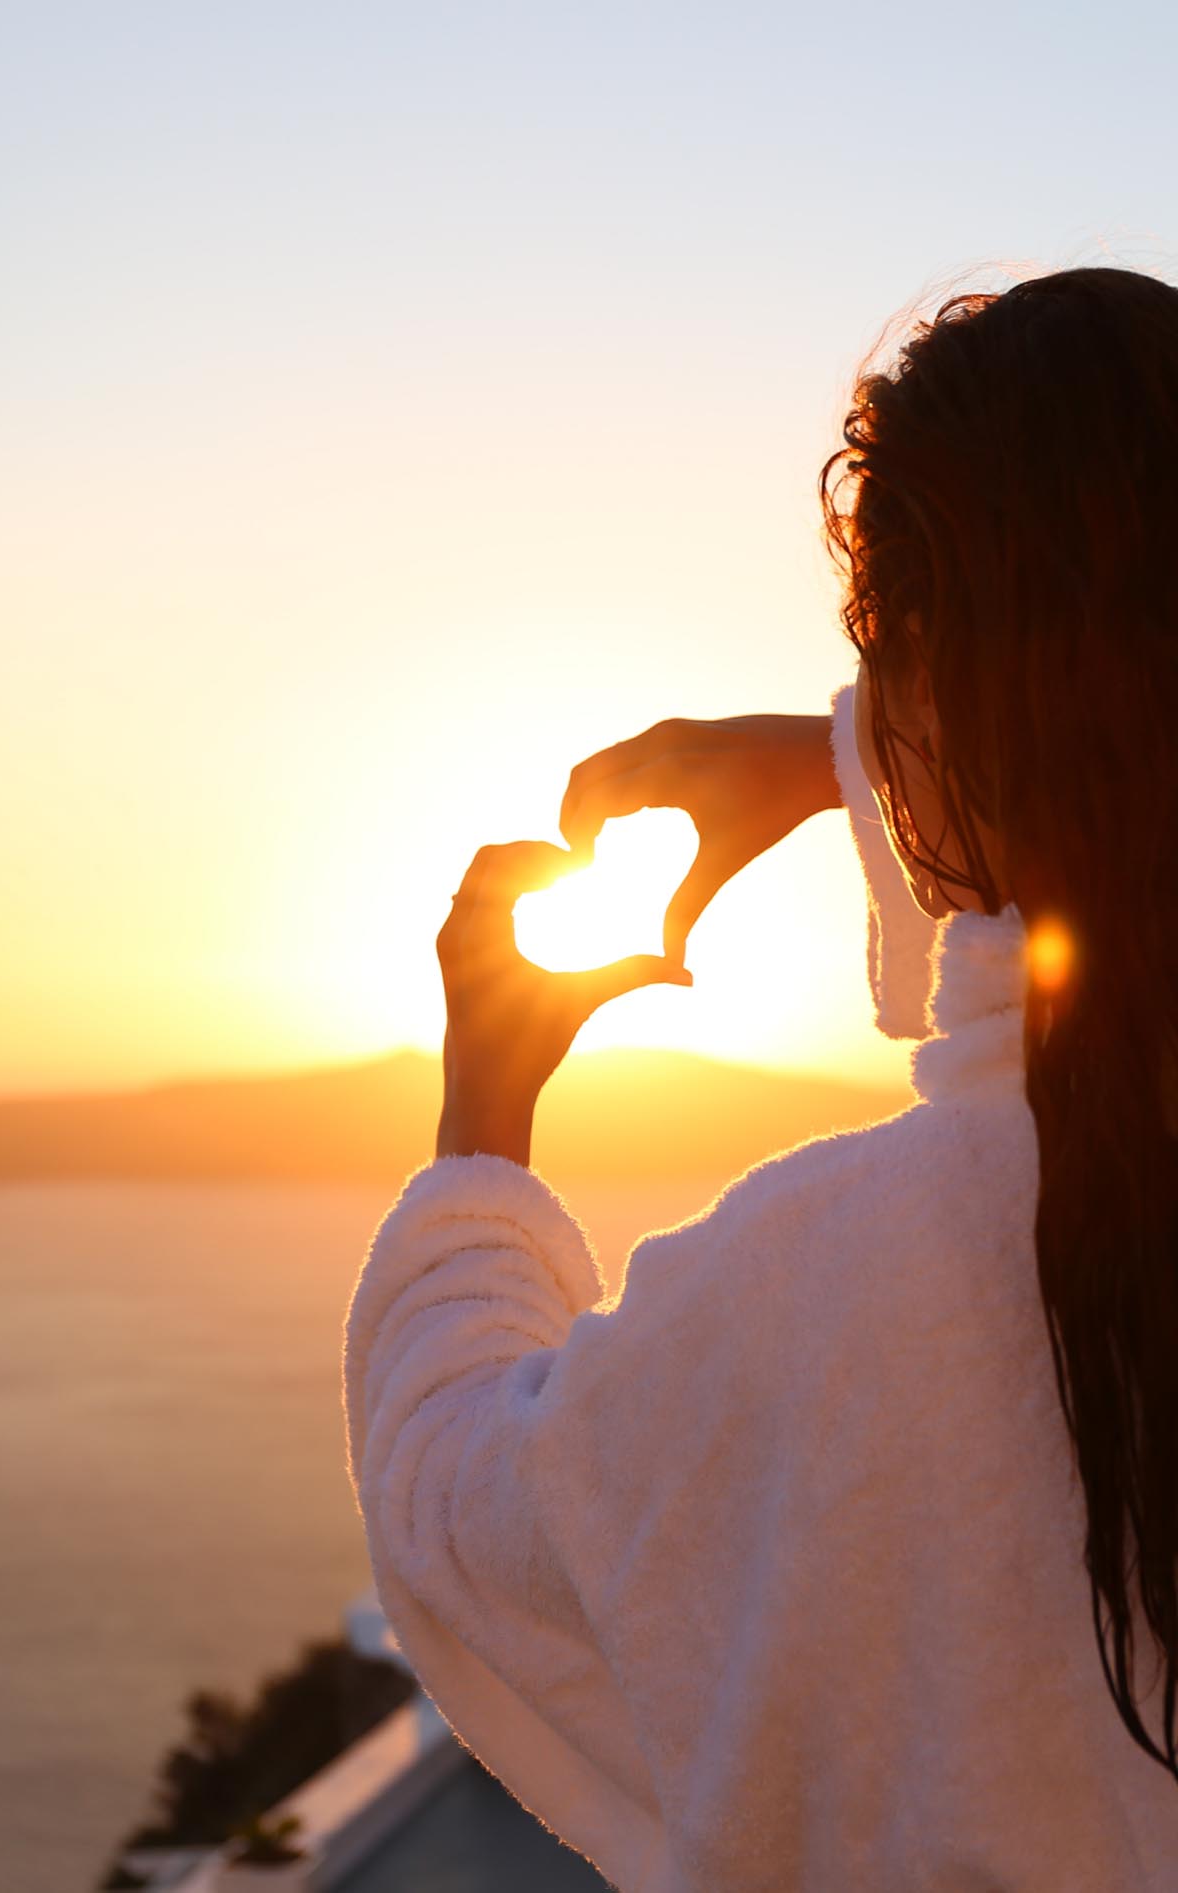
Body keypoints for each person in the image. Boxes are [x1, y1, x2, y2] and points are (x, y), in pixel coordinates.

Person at [343, 266, 1178, 1891]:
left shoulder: (836, 1292)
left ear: (932, 682)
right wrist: (851, 752)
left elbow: (456, 1505)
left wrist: (482, 1129)